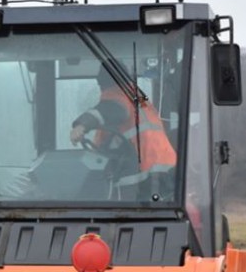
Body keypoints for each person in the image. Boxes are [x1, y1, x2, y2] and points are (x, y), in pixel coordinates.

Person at [69, 62, 177, 198]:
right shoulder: (139, 97)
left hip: (143, 174)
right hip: (165, 169)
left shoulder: (117, 94)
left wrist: (82, 125)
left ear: (102, 83)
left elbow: (110, 110)